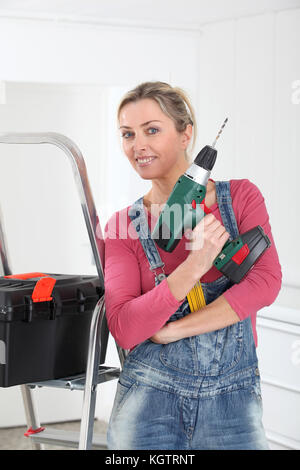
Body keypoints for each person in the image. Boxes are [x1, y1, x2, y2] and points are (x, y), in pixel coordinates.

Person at [104, 81, 282, 450]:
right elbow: (125, 327)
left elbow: (265, 282)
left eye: (152, 130)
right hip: (148, 406)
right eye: (128, 134)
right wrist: (194, 266)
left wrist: (174, 330)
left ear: (187, 135)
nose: (138, 145)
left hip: (234, 403)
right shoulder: (123, 225)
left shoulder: (242, 198)